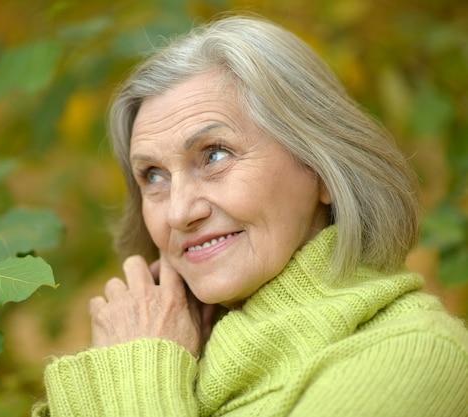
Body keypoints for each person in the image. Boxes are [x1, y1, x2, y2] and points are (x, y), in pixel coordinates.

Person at [33, 14, 468, 416]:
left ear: (322, 170)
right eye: (153, 175)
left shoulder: (415, 353)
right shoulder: (175, 354)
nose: (180, 212)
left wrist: (136, 372)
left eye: (215, 154)